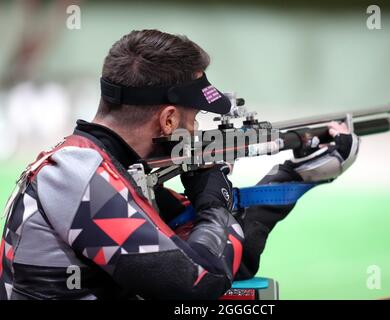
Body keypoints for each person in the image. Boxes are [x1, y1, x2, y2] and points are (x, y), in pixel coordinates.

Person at [0, 29, 359, 300]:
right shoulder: (82, 181)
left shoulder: (106, 168)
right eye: (195, 118)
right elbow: (199, 281)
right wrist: (214, 199)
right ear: (168, 119)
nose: (197, 129)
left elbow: (232, 257)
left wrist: (294, 175)